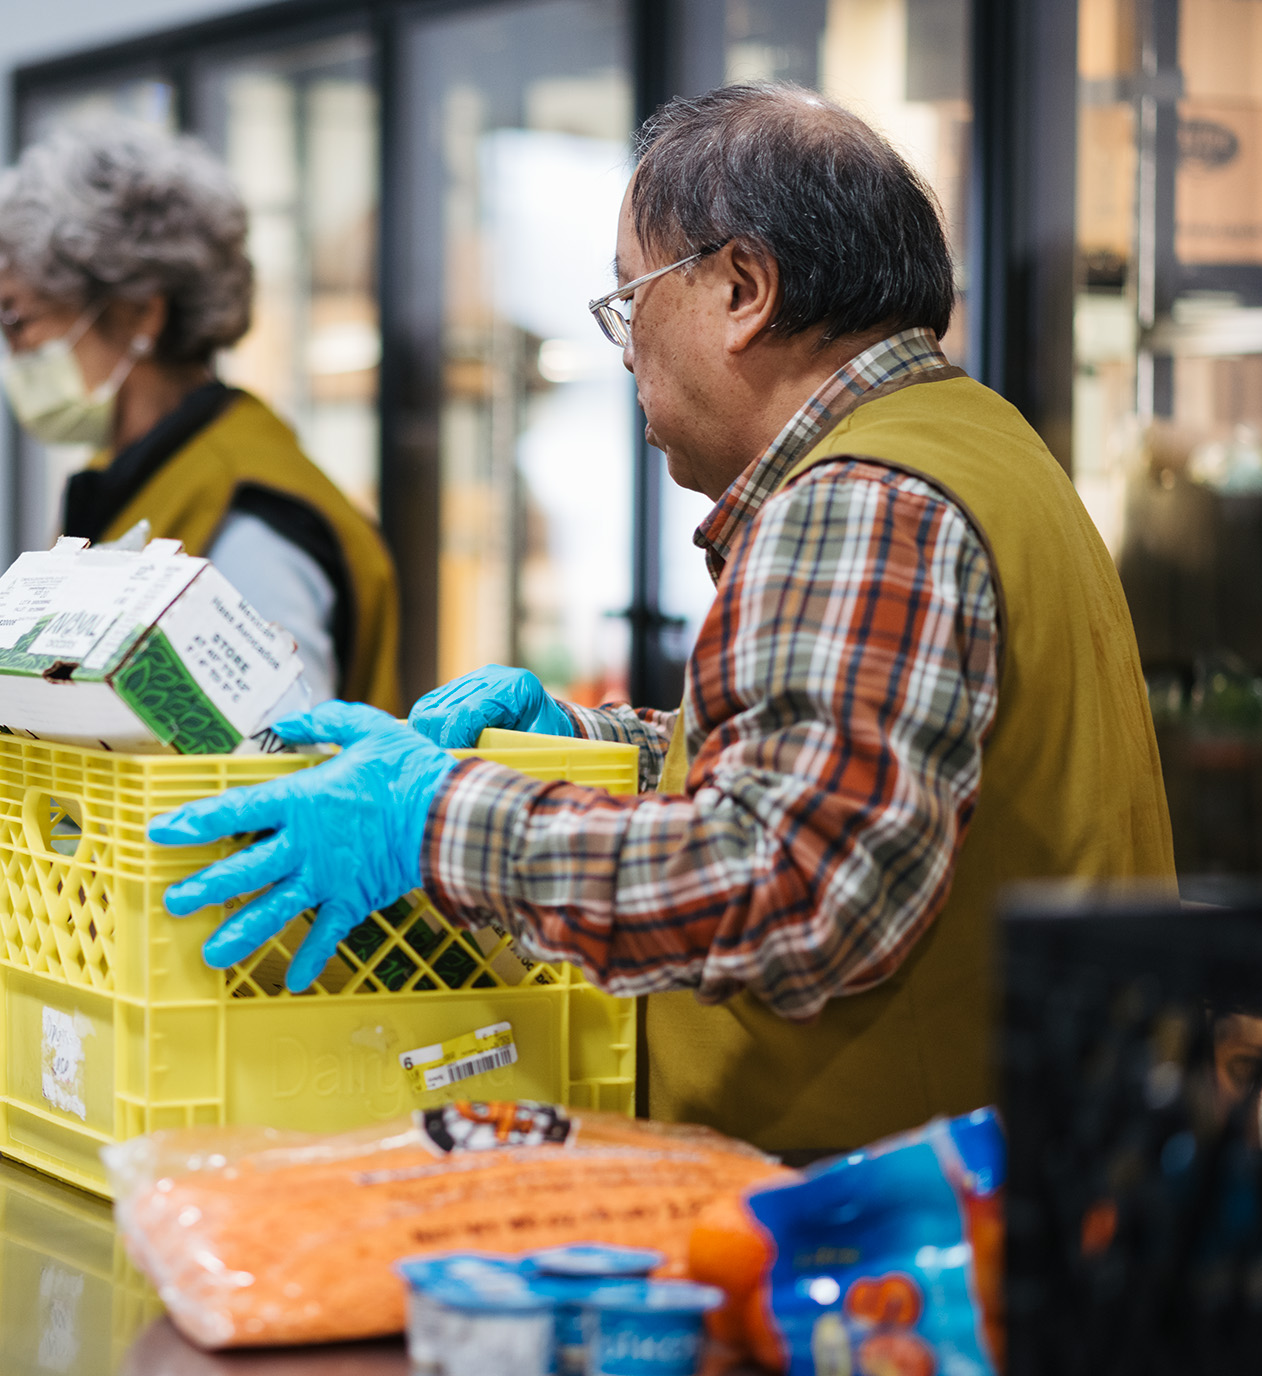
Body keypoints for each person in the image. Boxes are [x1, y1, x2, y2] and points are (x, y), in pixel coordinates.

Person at [148, 84, 1176, 1155]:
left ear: (743, 289)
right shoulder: (976, 443)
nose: (626, 348)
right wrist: (594, 745)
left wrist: (436, 819)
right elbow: (865, 775)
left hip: (889, 1215)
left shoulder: (859, 499)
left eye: (628, 298)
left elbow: (791, 884)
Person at [0, 121, 399, 709]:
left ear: (140, 314)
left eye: (18, 321)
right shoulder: (129, 476)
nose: (12, 356)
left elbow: (285, 742)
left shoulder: (249, 513)